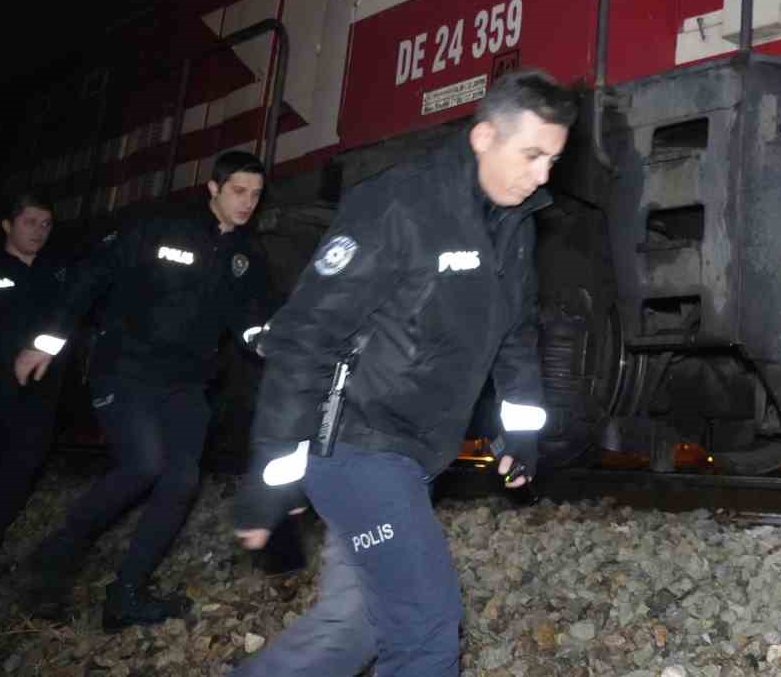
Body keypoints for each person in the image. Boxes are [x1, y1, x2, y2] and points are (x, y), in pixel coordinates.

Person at [232, 70, 574, 677]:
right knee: (425, 631)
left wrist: (520, 433)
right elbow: (305, 334)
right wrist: (268, 479)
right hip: (356, 445)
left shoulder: (514, 224)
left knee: (356, 627)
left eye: (553, 159)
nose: (542, 176)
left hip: (413, 456)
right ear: (483, 137)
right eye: (531, 155)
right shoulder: (400, 204)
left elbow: (516, 334)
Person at [19, 150, 271, 630]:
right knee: (143, 465)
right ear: (213, 189)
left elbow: (252, 317)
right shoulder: (158, 226)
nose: (248, 203)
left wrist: (268, 342)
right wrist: (47, 341)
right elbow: (90, 275)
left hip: (186, 386)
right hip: (125, 371)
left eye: (256, 195)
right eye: (239, 191)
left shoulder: (246, 256)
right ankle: (53, 556)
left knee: (180, 481)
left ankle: (126, 594)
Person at [0, 192, 67, 599]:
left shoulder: (58, 274)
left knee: (14, 479)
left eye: (46, 224)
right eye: (30, 222)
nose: (39, 231)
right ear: (8, 225)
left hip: (35, 397)